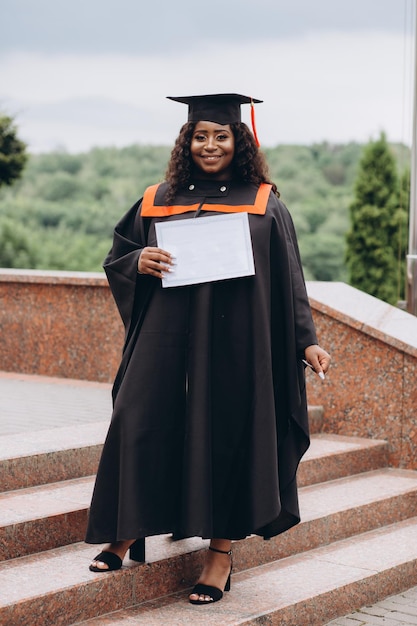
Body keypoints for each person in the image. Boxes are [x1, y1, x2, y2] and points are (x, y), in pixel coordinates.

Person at [85, 93, 331, 605]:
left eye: (221, 135)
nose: (210, 145)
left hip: (237, 340)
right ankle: (127, 529)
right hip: (165, 333)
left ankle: (220, 555)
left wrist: (306, 341)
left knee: (229, 430)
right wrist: (139, 263)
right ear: (186, 141)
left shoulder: (264, 202)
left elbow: (289, 279)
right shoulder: (158, 198)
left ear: (239, 140)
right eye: (200, 135)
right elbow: (119, 257)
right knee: (138, 415)